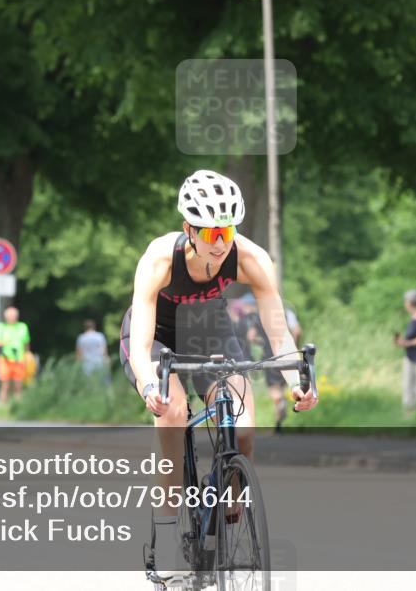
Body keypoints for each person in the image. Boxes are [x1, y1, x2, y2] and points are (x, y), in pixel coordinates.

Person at [118, 170, 318, 579]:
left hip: (209, 328)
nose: (221, 242)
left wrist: (299, 381)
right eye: (211, 233)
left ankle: (225, 510)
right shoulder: (159, 258)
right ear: (189, 229)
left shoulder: (250, 258)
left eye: (227, 230)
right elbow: (139, 347)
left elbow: (278, 332)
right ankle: (168, 533)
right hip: (155, 335)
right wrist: (150, 384)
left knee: (244, 426)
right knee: (173, 415)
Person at [0, 306, 31, 403]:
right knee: (5, 384)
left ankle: (17, 405)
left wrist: (27, 356)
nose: (13, 317)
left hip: (19, 359)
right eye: (10, 316)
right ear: (6, 317)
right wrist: (6, 342)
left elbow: (26, 344)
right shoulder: (1, 327)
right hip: (5, 359)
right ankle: (2, 406)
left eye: (14, 315)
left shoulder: (22, 327)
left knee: (18, 385)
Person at [75, 319, 110, 385]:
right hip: (99, 362)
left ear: (85, 327)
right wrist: (106, 359)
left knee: (88, 384)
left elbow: (79, 353)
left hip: (87, 364)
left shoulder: (81, 338)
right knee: (102, 383)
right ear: (94, 326)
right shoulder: (100, 336)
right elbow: (104, 351)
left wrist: (78, 364)